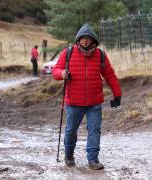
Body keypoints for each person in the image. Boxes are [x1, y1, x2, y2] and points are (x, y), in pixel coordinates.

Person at [52, 24, 122, 170]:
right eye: (82, 38)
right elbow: (55, 70)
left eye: (88, 38)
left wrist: (117, 94)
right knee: (71, 130)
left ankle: (93, 160)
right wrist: (62, 74)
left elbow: (109, 75)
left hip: (94, 102)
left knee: (94, 130)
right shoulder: (68, 53)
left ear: (93, 40)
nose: (85, 41)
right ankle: (69, 155)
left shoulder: (100, 55)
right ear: (78, 39)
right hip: (74, 101)